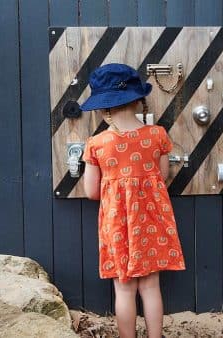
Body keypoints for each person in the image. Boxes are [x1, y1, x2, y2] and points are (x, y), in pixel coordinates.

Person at [80, 63, 186, 338]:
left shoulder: (97, 144)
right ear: (139, 100)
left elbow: (91, 192)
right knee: (151, 287)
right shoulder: (157, 135)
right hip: (151, 219)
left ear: (103, 107)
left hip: (117, 224)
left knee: (124, 288)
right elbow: (161, 176)